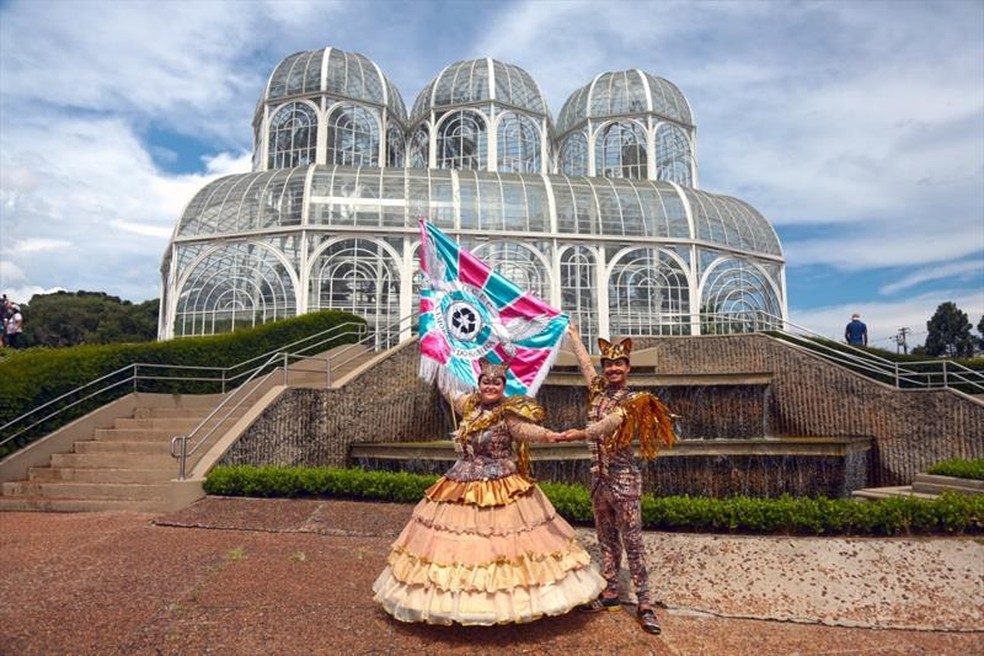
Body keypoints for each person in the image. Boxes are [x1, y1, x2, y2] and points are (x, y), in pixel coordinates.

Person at [372, 356, 605, 626]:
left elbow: (525, 430)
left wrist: (550, 435)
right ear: (479, 383)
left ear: (503, 386)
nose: (490, 386)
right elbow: (448, 389)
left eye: (496, 382)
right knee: (457, 545)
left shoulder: (507, 414)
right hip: (462, 481)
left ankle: (508, 601)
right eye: (486, 381)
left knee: (508, 543)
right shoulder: (468, 407)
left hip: (501, 484)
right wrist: (437, 359)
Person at [554, 325, 676, 635]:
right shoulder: (596, 389)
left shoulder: (635, 400)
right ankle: (610, 593)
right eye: (608, 364)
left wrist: (579, 434)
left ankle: (644, 602)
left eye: (619, 364)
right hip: (599, 480)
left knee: (633, 541)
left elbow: (608, 425)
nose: (613, 369)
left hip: (624, 480)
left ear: (628, 367)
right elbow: (584, 365)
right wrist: (575, 337)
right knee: (606, 539)